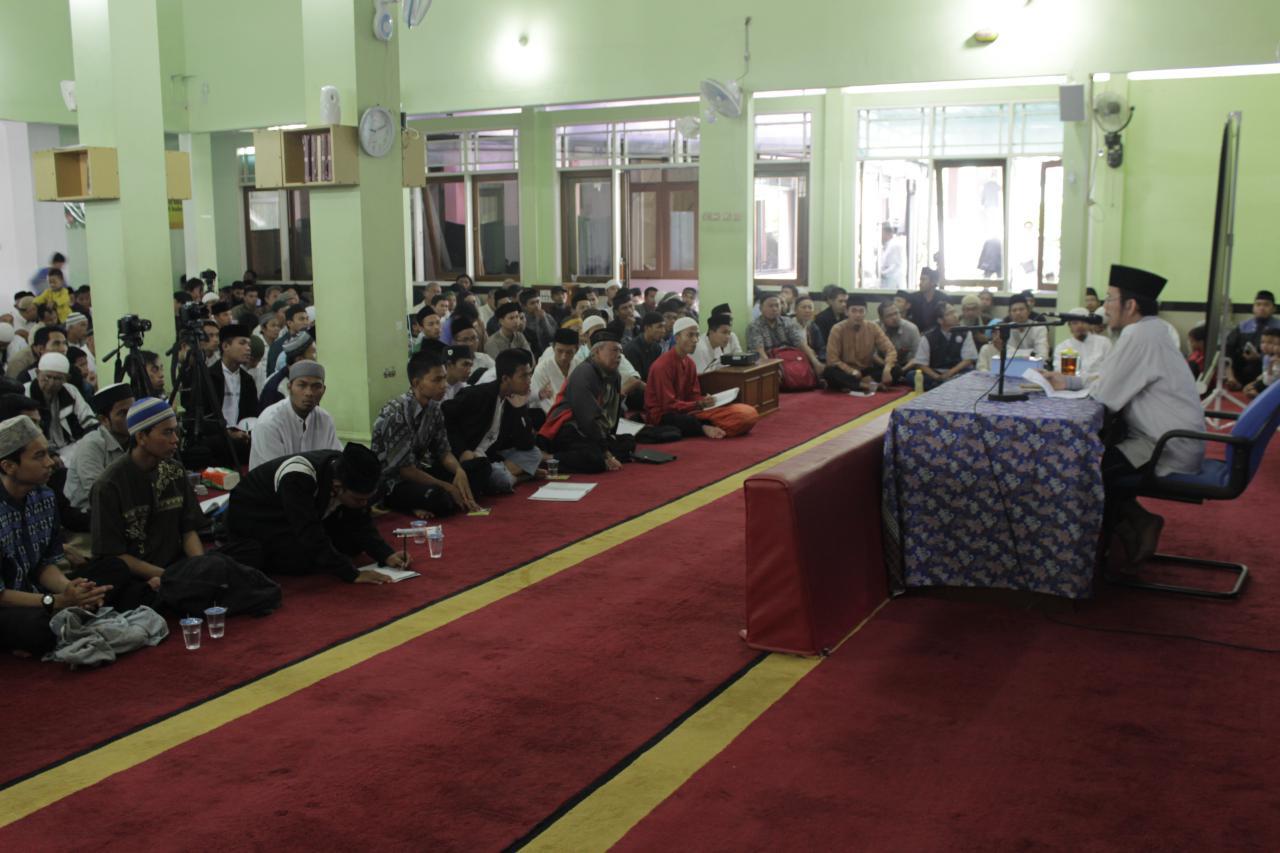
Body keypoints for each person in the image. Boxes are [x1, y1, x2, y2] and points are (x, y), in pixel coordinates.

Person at [1043, 265, 1205, 568]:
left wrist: (1071, 386)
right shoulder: (1151, 330)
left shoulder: (1139, 335)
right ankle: (1131, 528)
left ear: (1130, 305)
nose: (1104, 307)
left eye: (1109, 299)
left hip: (1165, 444)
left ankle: (1127, 531)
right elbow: (1108, 379)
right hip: (1167, 437)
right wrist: (1068, 381)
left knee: (1084, 470)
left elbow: (1104, 397)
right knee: (1094, 463)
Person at [0, 415, 113, 656]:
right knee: (38, 629)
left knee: (114, 570)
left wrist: (72, 590)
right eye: (39, 456)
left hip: (36, 592)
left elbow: (43, 564)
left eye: (48, 453)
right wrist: (56, 601)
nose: (50, 462)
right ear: (8, 466)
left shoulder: (45, 496)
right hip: (8, 603)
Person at [224, 444, 407, 584]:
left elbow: (360, 520)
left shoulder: (342, 470)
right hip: (258, 519)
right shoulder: (298, 477)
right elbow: (308, 531)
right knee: (303, 558)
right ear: (337, 486)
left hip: (297, 516)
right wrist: (352, 574)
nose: (364, 504)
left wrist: (385, 554)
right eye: (359, 499)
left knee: (351, 544)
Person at [89, 399, 207, 605]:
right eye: (167, 433)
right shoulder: (108, 486)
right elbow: (114, 555)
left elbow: (188, 530)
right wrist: (168, 576)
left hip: (178, 567)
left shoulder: (175, 471)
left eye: (175, 431)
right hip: (137, 578)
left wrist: (200, 568)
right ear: (141, 437)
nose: (175, 440)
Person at [370, 349, 488, 518]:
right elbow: (405, 471)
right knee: (438, 498)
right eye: (437, 380)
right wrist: (447, 487)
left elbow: (444, 452)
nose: (444, 385)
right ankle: (416, 502)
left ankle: (445, 498)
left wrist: (459, 471)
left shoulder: (434, 409)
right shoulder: (396, 412)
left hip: (420, 473)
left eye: (444, 378)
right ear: (417, 383)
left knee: (482, 467)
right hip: (393, 482)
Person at [444, 348, 545, 492]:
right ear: (505, 379)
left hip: (490, 457)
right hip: (469, 458)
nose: (529, 381)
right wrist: (462, 451)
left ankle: (503, 474)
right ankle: (520, 477)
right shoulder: (477, 395)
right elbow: (446, 417)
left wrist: (520, 409)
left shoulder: (513, 400)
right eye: (523, 376)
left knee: (535, 454)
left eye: (530, 374)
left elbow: (526, 445)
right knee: (498, 477)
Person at [538, 329, 635, 473]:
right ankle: (548, 458)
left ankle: (597, 454)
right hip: (569, 428)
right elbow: (588, 419)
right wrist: (606, 453)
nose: (619, 355)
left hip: (591, 431)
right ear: (596, 352)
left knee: (628, 442)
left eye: (620, 351)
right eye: (614, 350)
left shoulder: (615, 375)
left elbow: (612, 412)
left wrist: (609, 439)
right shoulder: (584, 373)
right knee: (595, 459)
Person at [644, 318, 758, 439]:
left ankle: (706, 423)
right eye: (690, 335)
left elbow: (694, 395)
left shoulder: (690, 363)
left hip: (687, 409)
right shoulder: (662, 366)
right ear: (677, 338)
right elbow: (668, 406)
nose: (695, 340)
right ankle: (703, 427)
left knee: (748, 413)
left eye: (697, 335)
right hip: (664, 415)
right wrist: (697, 404)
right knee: (683, 420)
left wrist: (706, 400)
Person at [248, 361, 341, 469]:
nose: (309, 393)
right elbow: (273, 472)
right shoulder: (270, 422)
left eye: (316, 386)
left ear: (323, 390)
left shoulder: (325, 419)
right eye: (302, 385)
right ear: (289, 387)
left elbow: (336, 459)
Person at [64, 382, 133, 514]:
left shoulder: (137, 438)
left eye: (133, 410)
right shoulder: (91, 444)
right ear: (104, 420)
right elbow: (98, 494)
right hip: (88, 514)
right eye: (123, 413)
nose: (131, 417)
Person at [25, 352, 96, 459]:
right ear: (37, 373)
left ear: (65, 379)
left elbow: (89, 421)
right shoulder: (25, 394)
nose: (52, 383)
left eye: (58, 379)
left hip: (72, 447)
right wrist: (50, 454)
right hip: (41, 452)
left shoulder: (71, 391)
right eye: (47, 377)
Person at [823, 296, 896, 393]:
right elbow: (832, 360)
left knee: (896, 369)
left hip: (866, 371)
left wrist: (887, 369)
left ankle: (854, 384)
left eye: (861, 311)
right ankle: (865, 385)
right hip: (846, 371)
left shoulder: (873, 327)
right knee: (829, 372)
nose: (858, 315)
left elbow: (890, 350)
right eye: (854, 311)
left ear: (866, 312)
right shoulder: (837, 329)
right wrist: (852, 371)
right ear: (846, 312)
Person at [747, 295, 823, 380]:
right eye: (770, 306)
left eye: (777, 305)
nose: (774, 309)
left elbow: (801, 343)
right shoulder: (755, 326)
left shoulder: (787, 322)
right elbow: (759, 351)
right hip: (768, 361)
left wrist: (816, 363)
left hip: (790, 360)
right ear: (761, 308)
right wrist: (772, 369)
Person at [904, 303, 978, 390]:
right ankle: (947, 385)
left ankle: (940, 386)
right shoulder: (928, 337)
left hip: (957, 372)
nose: (955, 315)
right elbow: (921, 364)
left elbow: (968, 360)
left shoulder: (965, 332)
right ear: (940, 320)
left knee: (972, 374)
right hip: (936, 372)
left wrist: (950, 373)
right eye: (949, 313)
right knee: (911, 375)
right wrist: (937, 377)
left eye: (954, 312)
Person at [1225, 290, 1280, 390]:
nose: (1262, 308)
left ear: (1274, 309)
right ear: (1253, 308)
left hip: (1269, 366)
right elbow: (1228, 347)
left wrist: (1259, 357)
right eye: (1258, 304)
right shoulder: (1243, 326)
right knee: (1227, 350)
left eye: (1266, 305)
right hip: (1243, 364)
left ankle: (1253, 386)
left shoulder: (1278, 326)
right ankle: (1232, 379)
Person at [257, 331, 315, 410]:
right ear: (300, 360)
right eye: (314, 352)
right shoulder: (277, 389)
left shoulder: (310, 377)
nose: (317, 357)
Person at [1053, 307, 1113, 378]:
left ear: (1089, 324)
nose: (1080, 326)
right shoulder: (1063, 347)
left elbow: (1111, 368)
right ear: (1069, 326)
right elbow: (1065, 375)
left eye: (1083, 322)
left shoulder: (1104, 343)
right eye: (1075, 323)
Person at [532, 328, 578, 413]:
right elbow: (546, 405)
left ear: (576, 350)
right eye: (560, 351)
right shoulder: (542, 369)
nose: (563, 357)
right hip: (550, 415)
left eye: (569, 352)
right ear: (553, 347)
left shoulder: (579, 366)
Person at [875, 300, 920, 385]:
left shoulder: (911, 329)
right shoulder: (875, 327)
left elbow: (917, 357)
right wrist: (887, 368)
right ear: (882, 319)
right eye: (889, 315)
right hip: (882, 364)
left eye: (896, 313)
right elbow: (872, 354)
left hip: (905, 366)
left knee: (913, 375)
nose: (895, 317)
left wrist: (900, 371)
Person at [1004, 293, 1048, 361]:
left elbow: (1042, 356)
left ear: (1028, 311)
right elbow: (1006, 354)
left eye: (1021, 309)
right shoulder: (1006, 328)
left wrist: (1016, 353)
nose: (1018, 313)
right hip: (1011, 365)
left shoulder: (1039, 328)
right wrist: (1031, 353)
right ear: (1010, 314)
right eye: (1014, 310)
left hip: (1034, 366)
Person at [624, 312, 667, 382]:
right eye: (659, 327)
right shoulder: (632, 349)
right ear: (647, 328)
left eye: (664, 327)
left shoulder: (657, 348)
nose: (663, 330)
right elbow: (636, 380)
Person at [269, 305, 311, 373]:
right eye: (301, 319)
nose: (306, 323)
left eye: (307, 319)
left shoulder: (311, 341)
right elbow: (273, 374)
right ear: (289, 323)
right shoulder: (278, 346)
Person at [1244, 327, 1280, 398]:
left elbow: (1272, 379)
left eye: (1270, 343)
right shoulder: (1266, 357)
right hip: (1268, 379)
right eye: (1262, 342)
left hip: (1273, 383)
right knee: (1248, 388)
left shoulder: (1274, 359)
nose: (1265, 345)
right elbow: (1265, 373)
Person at [907, 268, 946, 333]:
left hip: (937, 334)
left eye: (923, 280)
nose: (920, 283)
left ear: (933, 282)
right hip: (917, 333)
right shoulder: (913, 298)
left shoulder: (943, 299)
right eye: (920, 280)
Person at [520, 290, 556, 357]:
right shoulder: (521, 319)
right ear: (524, 306)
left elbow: (552, 337)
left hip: (547, 354)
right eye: (532, 303)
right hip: (529, 354)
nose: (536, 305)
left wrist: (543, 319)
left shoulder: (548, 317)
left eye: (538, 302)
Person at [879, 223, 904, 290]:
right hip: (888, 284)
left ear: (886, 233)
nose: (880, 236)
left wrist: (882, 274)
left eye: (881, 233)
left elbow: (895, 266)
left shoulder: (895, 245)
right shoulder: (888, 245)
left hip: (892, 284)